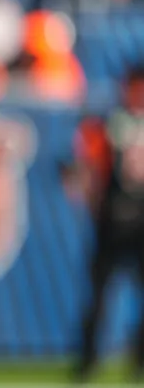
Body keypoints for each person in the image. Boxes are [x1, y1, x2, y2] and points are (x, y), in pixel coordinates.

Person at [74, 70, 144, 384]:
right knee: (99, 296)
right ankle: (89, 360)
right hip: (112, 221)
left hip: (134, 221)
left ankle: (136, 359)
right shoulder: (108, 124)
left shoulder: (114, 124)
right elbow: (90, 168)